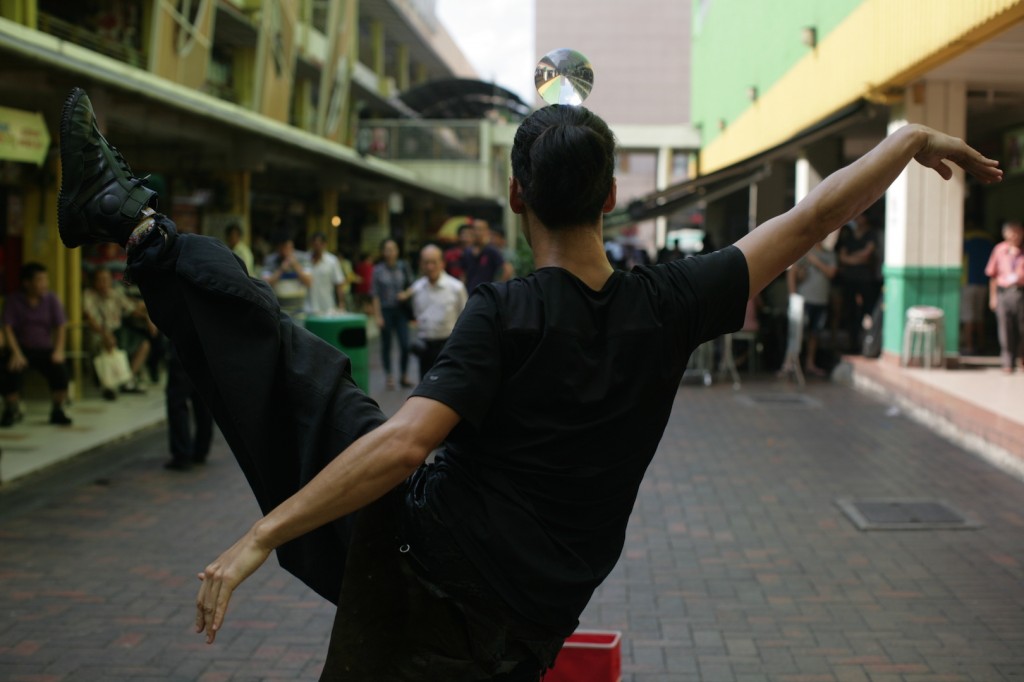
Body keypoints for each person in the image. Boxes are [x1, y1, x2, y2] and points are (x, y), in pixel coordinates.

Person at [56, 87, 1001, 680]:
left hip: (430, 598)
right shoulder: (669, 299)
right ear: (610, 199)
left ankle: (140, 234)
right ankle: (136, 230)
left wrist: (258, 535)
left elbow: (408, 441)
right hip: (508, 606)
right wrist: (908, 138)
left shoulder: (504, 313)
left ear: (515, 200)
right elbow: (804, 221)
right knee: (307, 375)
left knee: (294, 373)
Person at [0, 262, 72, 426]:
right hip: (21, 349)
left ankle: (58, 409)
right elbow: (7, 328)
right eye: (40, 280)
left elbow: (61, 325)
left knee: (60, 371)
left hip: (45, 349)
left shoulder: (51, 299)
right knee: (6, 370)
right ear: (27, 283)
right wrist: (16, 353)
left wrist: (59, 350)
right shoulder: (13, 300)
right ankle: (12, 408)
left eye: (45, 279)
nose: (44, 284)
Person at [82, 267, 152, 399]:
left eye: (106, 279)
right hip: (98, 332)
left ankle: (127, 379)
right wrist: (105, 334)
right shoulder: (89, 294)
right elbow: (89, 318)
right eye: (100, 280)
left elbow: (132, 309)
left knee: (144, 344)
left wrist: (148, 319)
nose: (103, 283)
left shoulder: (115, 293)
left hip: (118, 331)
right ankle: (110, 386)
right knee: (107, 344)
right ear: (94, 282)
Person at [407, 244, 468, 378]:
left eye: (434, 262)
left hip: (448, 347)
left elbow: (465, 319)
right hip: (424, 347)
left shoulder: (456, 288)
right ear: (420, 264)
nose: (430, 267)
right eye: (426, 263)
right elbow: (416, 314)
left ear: (442, 263)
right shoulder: (417, 288)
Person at [785, 239, 837, 376]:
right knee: (797, 333)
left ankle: (809, 364)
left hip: (821, 300)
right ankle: (789, 364)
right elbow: (792, 273)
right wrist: (793, 296)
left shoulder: (829, 254)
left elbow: (831, 273)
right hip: (804, 299)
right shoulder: (804, 251)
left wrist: (815, 261)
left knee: (815, 334)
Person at [164, 339, 214, 471]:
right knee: (202, 399)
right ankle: (200, 449)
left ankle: (183, 452)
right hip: (204, 343)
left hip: (184, 340)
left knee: (177, 401)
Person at [371, 238, 414, 389]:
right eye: (387, 249)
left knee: (405, 344)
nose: (390, 253)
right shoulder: (378, 270)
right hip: (385, 310)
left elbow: (413, 286)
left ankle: (403, 375)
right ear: (383, 252)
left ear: (397, 251)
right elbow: (375, 294)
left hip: (401, 310)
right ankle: (389, 376)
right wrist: (378, 316)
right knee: (386, 344)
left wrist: (406, 294)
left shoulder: (404, 266)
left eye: (393, 249)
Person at [836, 213, 881, 352]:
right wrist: (858, 258)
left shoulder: (871, 234)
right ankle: (852, 344)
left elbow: (867, 254)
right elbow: (842, 257)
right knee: (850, 313)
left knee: (867, 312)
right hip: (849, 280)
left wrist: (850, 257)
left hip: (865, 280)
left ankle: (867, 345)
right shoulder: (847, 233)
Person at [985, 220, 1024, 373]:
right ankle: (1007, 361)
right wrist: (993, 298)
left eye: (1017, 232)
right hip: (1004, 293)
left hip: (1021, 292)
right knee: (1005, 328)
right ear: (1005, 234)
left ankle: (1022, 357)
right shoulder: (999, 250)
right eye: (1011, 232)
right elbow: (992, 275)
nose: (1014, 235)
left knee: (1022, 328)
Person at [960, 224, 995, 355]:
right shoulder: (989, 239)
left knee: (968, 316)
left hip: (967, 281)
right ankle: (981, 344)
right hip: (984, 282)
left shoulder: (966, 238)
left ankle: (969, 346)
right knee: (979, 316)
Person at [260, 232, 311, 315]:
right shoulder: (270, 260)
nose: (285, 251)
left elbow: (309, 282)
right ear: (278, 248)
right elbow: (265, 284)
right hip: (278, 311)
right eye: (282, 248)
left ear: (292, 246)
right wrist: (281, 270)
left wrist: (296, 266)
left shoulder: (302, 258)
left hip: (299, 311)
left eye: (288, 247)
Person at [460, 219, 505, 292]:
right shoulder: (467, 252)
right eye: (475, 229)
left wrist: (497, 289)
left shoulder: (492, 251)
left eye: (480, 229)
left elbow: (506, 269)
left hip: (487, 294)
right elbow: (464, 274)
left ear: (487, 232)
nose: (477, 232)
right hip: (470, 293)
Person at [306, 232, 345, 315]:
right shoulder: (305, 260)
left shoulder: (332, 261)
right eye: (315, 243)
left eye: (320, 243)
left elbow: (339, 284)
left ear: (324, 244)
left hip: (327, 307)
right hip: (307, 307)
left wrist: (341, 304)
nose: (317, 246)